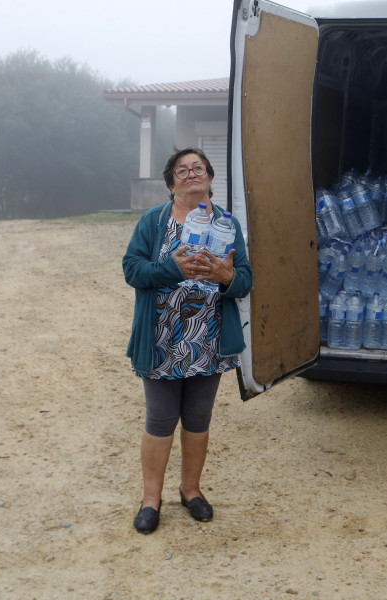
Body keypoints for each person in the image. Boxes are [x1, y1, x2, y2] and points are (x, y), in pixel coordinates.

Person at [122, 148, 252, 534]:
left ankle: (191, 491)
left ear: (210, 177)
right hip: (161, 339)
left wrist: (226, 277)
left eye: (198, 168)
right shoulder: (153, 221)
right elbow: (132, 268)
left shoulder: (228, 225)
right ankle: (150, 500)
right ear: (171, 183)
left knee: (198, 419)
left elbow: (245, 278)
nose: (191, 173)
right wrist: (169, 268)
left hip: (207, 340)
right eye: (182, 169)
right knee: (160, 419)